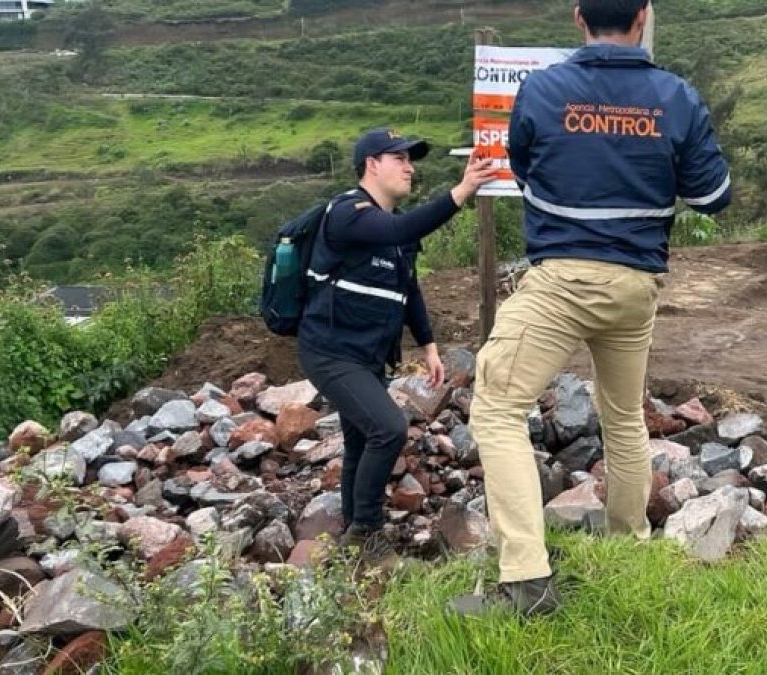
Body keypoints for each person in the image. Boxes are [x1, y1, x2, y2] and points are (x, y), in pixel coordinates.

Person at [455, 0, 731, 616]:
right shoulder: (676, 96)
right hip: (636, 286)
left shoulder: (543, 89)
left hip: (563, 281)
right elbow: (714, 196)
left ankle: (525, 584)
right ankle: (628, 542)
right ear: (643, 17)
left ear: (578, 18)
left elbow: (526, 172)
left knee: (497, 407)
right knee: (624, 416)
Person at [298, 127, 497, 570]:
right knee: (388, 428)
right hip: (330, 351)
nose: (410, 167)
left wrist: (428, 344)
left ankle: (353, 537)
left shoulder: (396, 232)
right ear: (372, 164)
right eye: (399, 158)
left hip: (368, 356)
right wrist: (462, 190)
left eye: (412, 159)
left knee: (359, 440)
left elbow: (408, 288)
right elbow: (401, 225)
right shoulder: (348, 213)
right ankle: (367, 536)